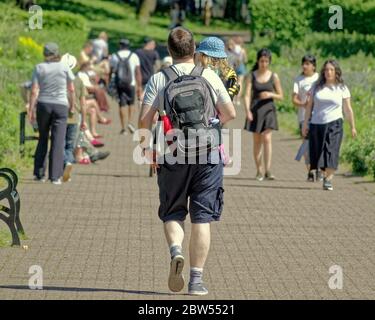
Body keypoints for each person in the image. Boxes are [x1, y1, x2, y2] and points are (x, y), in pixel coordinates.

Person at [139, 27, 236, 296]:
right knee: (202, 218)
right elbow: (230, 113)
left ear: (169, 51)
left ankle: (176, 251)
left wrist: (148, 150)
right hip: (208, 155)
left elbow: (143, 123)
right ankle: (196, 281)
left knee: (172, 212)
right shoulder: (209, 76)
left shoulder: (159, 79)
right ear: (194, 50)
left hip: (172, 153)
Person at [302, 59, 357, 191]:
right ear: (323, 72)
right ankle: (322, 172)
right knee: (319, 151)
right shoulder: (316, 86)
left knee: (332, 150)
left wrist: (352, 126)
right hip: (317, 123)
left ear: (336, 72)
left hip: (335, 122)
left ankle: (328, 179)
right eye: (326, 70)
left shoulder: (342, 87)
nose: (328, 72)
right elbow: (309, 106)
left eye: (331, 70)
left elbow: (348, 109)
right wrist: (305, 124)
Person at [29, 42, 75, 185]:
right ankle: (55, 177)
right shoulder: (65, 67)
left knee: (43, 138)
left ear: (44, 53)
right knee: (58, 141)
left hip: (44, 104)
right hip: (61, 106)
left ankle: (39, 174)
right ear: (57, 53)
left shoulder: (39, 67)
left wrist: (31, 109)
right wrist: (72, 106)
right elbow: (71, 89)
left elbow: (35, 90)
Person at [195, 36, 241, 165]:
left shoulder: (201, 71)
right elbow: (233, 90)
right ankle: (221, 154)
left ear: (204, 55)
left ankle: (220, 154)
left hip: (203, 114)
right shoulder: (228, 71)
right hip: (221, 112)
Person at [244, 48, 284, 181]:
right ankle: (259, 170)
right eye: (262, 61)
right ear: (258, 61)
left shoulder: (274, 76)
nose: (264, 64)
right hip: (255, 110)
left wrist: (270, 94)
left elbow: (281, 96)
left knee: (267, 139)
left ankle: (268, 170)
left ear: (269, 62)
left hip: (269, 110)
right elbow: (247, 95)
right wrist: (247, 111)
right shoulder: (252, 75)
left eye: (266, 61)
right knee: (257, 141)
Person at [292, 54, 320, 182]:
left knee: (318, 144)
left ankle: (319, 168)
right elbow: (294, 99)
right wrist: (304, 104)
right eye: (303, 64)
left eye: (307, 64)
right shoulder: (299, 79)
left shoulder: (319, 78)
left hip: (319, 117)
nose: (304, 66)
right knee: (306, 145)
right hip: (303, 117)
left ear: (313, 66)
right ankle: (310, 170)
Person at [110, 39, 142, 135]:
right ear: (128, 46)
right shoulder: (134, 56)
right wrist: (139, 86)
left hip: (119, 84)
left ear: (120, 45)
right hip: (131, 84)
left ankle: (123, 128)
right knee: (131, 104)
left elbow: (111, 71)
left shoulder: (114, 56)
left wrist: (109, 84)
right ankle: (130, 123)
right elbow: (138, 73)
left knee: (122, 104)